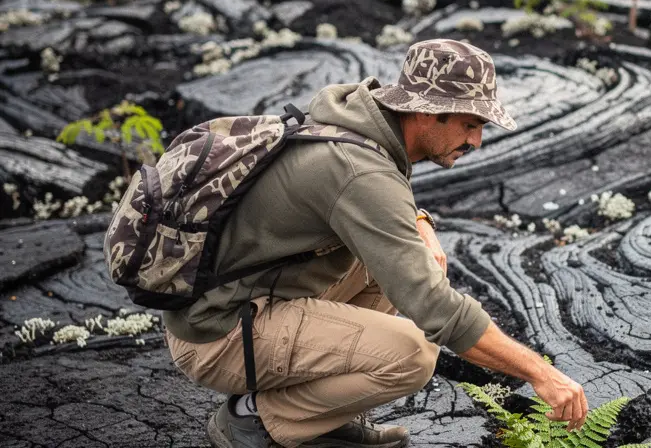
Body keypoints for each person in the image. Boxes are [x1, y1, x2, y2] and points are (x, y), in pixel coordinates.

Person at [163, 39, 590, 448]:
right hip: (216, 336)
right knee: (414, 353)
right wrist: (540, 374)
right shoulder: (361, 170)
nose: (476, 141)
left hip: (232, 300)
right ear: (426, 112)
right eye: (470, 124)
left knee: (389, 263)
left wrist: (418, 219)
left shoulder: (355, 122)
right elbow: (437, 310)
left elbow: (366, 204)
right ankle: (257, 415)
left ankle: (322, 417)